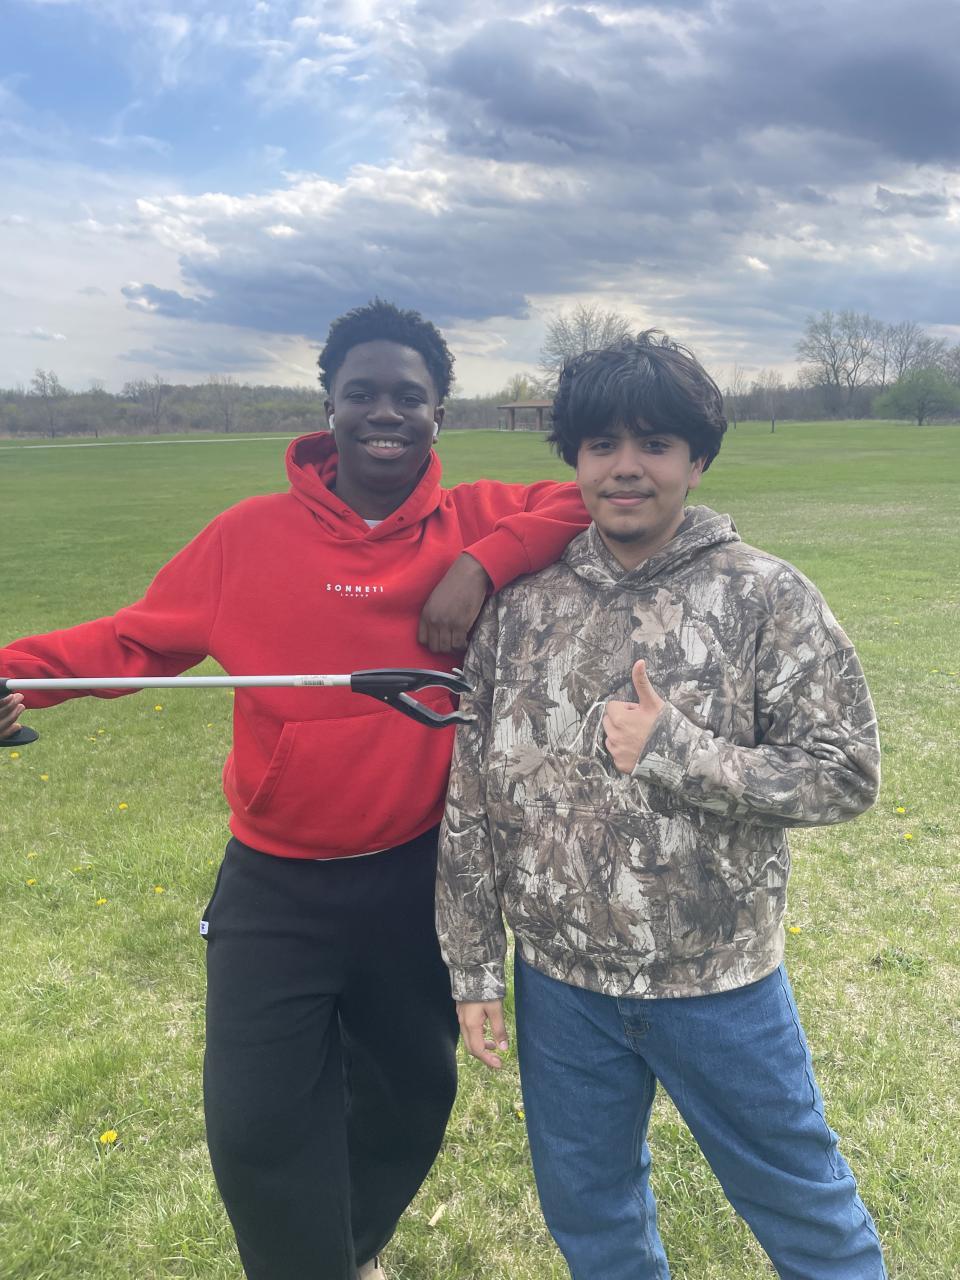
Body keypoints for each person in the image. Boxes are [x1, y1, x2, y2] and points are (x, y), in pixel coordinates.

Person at [0, 299, 589, 1280]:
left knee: (408, 1103)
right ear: (329, 407)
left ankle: (346, 1253)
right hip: (275, 886)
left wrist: (482, 562)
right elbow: (133, 642)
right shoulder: (247, 535)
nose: (385, 412)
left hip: (413, 881)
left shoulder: (480, 513)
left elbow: (592, 496)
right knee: (256, 1127)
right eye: (362, 392)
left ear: (439, 412)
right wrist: (10, 674)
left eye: (409, 396)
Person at [436, 332, 887, 1280]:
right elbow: (470, 798)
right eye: (602, 444)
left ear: (698, 459)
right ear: (575, 460)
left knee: (808, 1214)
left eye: (655, 443)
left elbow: (846, 772)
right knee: (594, 1222)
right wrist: (475, 968)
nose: (626, 467)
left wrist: (679, 751)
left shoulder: (764, 596)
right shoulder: (520, 610)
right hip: (561, 989)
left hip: (719, 986)